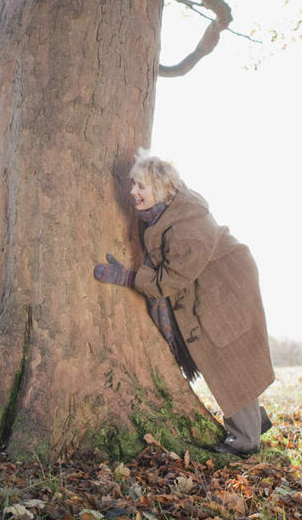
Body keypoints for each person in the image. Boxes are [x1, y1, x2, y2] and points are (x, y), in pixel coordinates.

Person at [93, 150, 274, 457]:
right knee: (224, 359)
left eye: (141, 186)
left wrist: (127, 277)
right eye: (133, 183)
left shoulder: (186, 229)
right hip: (212, 284)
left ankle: (246, 440)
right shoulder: (165, 212)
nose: (133, 191)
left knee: (228, 361)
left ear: (162, 189)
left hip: (224, 289)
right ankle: (255, 422)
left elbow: (166, 282)